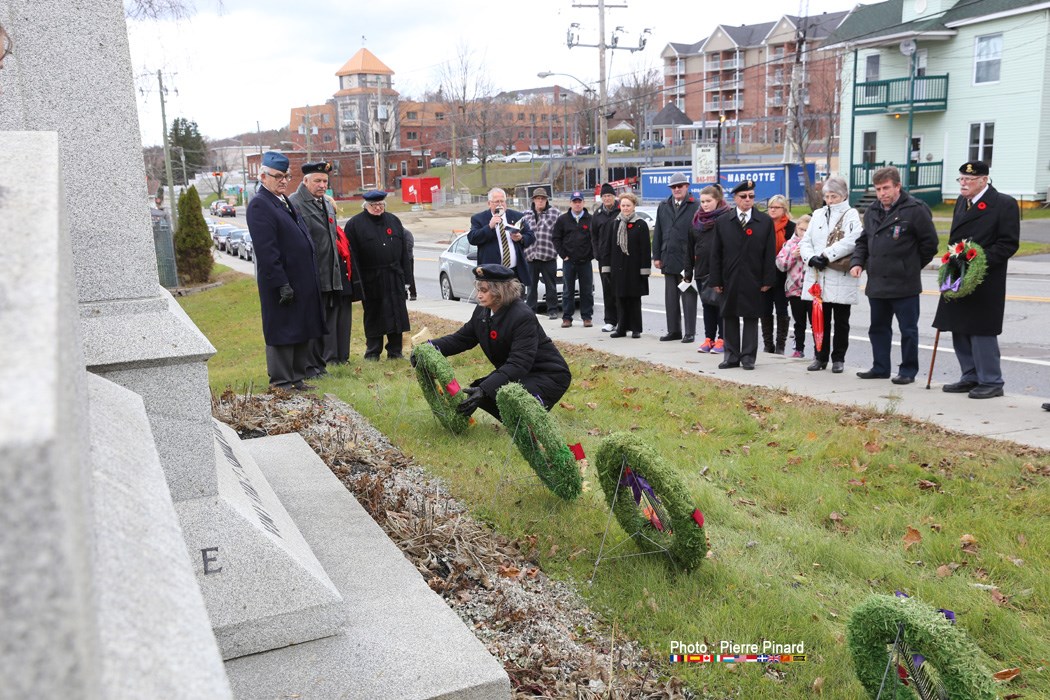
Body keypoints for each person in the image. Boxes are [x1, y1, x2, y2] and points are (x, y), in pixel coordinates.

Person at [425, 264, 572, 422]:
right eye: (478, 289)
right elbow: (461, 339)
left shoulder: (522, 316)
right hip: (522, 372)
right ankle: (515, 422)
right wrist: (429, 348)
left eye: (484, 290)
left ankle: (526, 424)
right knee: (481, 390)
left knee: (495, 393)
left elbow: (519, 363)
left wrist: (485, 390)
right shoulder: (483, 310)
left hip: (548, 375)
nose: (478, 295)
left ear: (500, 291)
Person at [932, 161, 1020, 399]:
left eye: (969, 180)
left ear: (984, 180)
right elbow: (956, 238)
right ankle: (969, 375)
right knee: (958, 326)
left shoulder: (1004, 204)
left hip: (985, 277)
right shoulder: (962, 202)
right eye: (961, 179)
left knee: (981, 329)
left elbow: (1008, 243)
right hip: (958, 272)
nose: (963, 184)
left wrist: (977, 262)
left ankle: (991, 380)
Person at [851, 166, 939, 385]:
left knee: (908, 330)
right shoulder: (872, 210)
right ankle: (880, 367)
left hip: (904, 284)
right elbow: (864, 241)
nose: (882, 193)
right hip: (878, 282)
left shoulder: (915, 209)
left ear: (898, 186)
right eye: (878, 189)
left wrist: (909, 266)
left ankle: (908, 370)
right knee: (878, 328)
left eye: (886, 188)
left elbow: (930, 244)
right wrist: (858, 262)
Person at [245, 151, 325, 390]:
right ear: (263, 176)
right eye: (278, 176)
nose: (283, 180)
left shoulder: (282, 200)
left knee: (301, 327)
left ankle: (297, 377)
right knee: (283, 331)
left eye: (286, 176)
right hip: (281, 283)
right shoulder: (260, 204)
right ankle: (281, 380)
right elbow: (267, 251)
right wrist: (281, 283)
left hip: (301, 281)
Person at [709, 179, 776, 370]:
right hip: (729, 277)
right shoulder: (723, 221)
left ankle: (748, 357)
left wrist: (767, 279)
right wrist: (715, 279)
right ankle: (731, 356)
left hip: (753, 277)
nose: (748, 200)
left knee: (751, 316)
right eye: (743, 196)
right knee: (729, 315)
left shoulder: (763, 221)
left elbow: (769, 253)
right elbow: (716, 253)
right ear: (735, 198)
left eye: (751, 196)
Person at [800, 176, 863, 373]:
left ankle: (838, 358)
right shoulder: (818, 214)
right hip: (818, 275)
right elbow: (805, 240)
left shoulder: (851, 214)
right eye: (827, 196)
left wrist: (827, 255)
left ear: (843, 195)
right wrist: (810, 258)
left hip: (839, 275)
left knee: (841, 321)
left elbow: (853, 240)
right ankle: (820, 356)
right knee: (819, 319)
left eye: (834, 196)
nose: (829, 200)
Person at [288, 161, 343, 376]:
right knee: (310, 324)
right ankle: (308, 367)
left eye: (325, 181)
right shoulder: (295, 204)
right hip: (309, 277)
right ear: (305, 181)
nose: (322, 185)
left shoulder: (326, 204)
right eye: (317, 181)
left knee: (322, 325)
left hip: (328, 276)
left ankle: (319, 365)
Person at [344, 190, 411, 360]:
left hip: (394, 276)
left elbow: (404, 252)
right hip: (370, 278)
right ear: (366, 205)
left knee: (396, 314)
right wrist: (356, 284)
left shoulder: (394, 221)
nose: (378, 208)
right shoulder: (354, 224)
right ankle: (373, 352)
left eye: (381, 204)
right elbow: (353, 258)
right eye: (374, 205)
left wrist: (407, 280)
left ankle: (395, 352)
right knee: (374, 315)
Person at [652, 172, 700, 342]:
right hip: (668, 257)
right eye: (674, 187)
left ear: (687, 186)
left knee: (688, 296)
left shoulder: (696, 206)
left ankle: (689, 332)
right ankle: (674, 330)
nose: (677, 189)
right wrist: (656, 256)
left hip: (686, 260)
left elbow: (699, 234)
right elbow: (658, 232)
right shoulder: (664, 205)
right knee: (671, 298)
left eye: (680, 186)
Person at [603, 192, 651, 339]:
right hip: (618, 268)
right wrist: (606, 268)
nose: (625, 208)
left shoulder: (640, 224)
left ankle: (636, 329)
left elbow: (645, 249)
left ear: (634, 206)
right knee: (620, 298)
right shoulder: (615, 223)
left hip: (634, 268)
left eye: (628, 205)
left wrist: (644, 270)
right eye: (623, 205)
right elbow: (608, 247)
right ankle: (621, 328)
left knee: (634, 299)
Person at [468, 187, 535, 291]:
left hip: (514, 272)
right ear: (489, 203)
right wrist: (489, 226)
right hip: (492, 273)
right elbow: (472, 238)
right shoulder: (479, 218)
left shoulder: (517, 216)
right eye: (496, 202)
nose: (500, 204)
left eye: (502, 201)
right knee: (496, 304)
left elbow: (531, 236)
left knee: (516, 305)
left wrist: (521, 238)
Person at [691, 185, 731, 354]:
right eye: (703, 201)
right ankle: (709, 338)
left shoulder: (726, 217)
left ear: (718, 200)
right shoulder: (697, 219)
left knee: (721, 306)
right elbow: (690, 245)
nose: (705, 205)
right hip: (702, 269)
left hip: (720, 270)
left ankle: (722, 339)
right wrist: (688, 269)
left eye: (709, 201)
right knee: (707, 305)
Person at [552, 191, 595, 328]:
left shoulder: (590, 219)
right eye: (574, 201)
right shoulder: (562, 219)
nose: (577, 204)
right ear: (570, 203)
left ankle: (587, 317)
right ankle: (567, 318)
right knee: (567, 291)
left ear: (583, 203)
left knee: (586, 291)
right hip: (569, 261)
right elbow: (556, 238)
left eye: (579, 201)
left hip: (585, 262)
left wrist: (591, 255)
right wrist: (563, 254)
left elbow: (595, 239)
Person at [521, 188, 561, 318]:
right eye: (538, 198)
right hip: (530, 257)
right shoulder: (525, 215)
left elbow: (561, 233)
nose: (540, 201)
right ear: (533, 200)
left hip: (548, 256)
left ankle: (553, 310)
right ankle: (531, 311)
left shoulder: (555, 213)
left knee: (551, 286)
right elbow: (519, 234)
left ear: (546, 200)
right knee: (531, 287)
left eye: (543, 198)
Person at [762, 195, 796, 354]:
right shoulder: (763, 224)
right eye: (770, 207)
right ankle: (768, 344)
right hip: (765, 273)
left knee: (782, 309)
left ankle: (780, 345)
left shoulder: (791, 227)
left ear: (784, 210)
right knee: (765, 309)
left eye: (776, 207)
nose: (772, 210)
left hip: (784, 274)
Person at [775, 214, 811, 358]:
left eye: (807, 230)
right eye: (801, 229)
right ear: (796, 228)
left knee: (816, 323)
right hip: (795, 290)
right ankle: (798, 349)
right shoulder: (789, 245)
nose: (803, 233)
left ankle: (819, 350)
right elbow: (781, 265)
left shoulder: (816, 244)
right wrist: (793, 255)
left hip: (812, 290)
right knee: (799, 321)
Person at [591, 183, 621, 332]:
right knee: (607, 289)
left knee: (620, 288)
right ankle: (610, 320)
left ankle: (622, 321)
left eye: (609, 195)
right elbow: (594, 236)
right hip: (605, 258)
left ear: (614, 196)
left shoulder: (621, 210)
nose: (607, 198)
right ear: (601, 198)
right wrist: (597, 253)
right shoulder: (597, 214)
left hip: (621, 257)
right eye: (604, 196)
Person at [404, 228, 417, 301]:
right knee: (401, 277)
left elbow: (410, 245)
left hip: (408, 259)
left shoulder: (407, 233)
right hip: (399, 260)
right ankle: (404, 294)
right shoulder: (396, 234)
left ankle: (413, 294)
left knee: (409, 276)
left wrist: (402, 253)